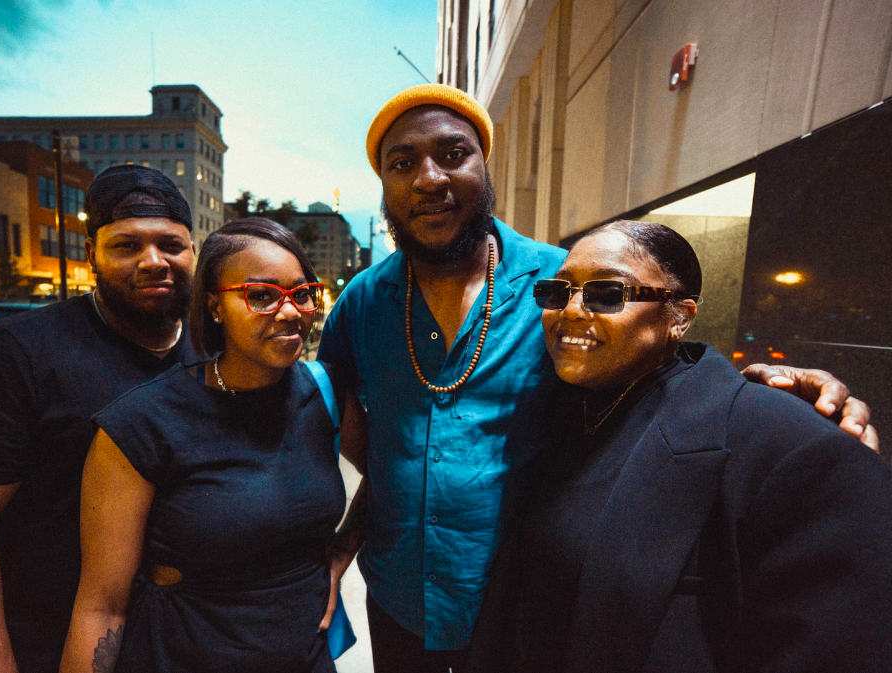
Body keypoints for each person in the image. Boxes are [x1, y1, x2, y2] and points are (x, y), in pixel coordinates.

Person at [317, 83, 879, 673]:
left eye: (453, 154)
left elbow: (654, 365)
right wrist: (339, 547)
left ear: (485, 165)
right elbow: (372, 447)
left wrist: (767, 395)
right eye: (402, 163)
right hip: (399, 601)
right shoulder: (362, 303)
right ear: (383, 185)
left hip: (523, 606)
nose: (429, 178)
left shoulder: (556, 282)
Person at [465, 220, 892, 672]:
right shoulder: (561, 406)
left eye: (607, 294)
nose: (570, 310)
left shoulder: (792, 445)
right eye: (556, 292)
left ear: (680, 315)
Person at [0, 165, 199, 673]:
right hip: (49, 648)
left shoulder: (214, 357)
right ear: (91, 255)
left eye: (171, 244)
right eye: (126, 246)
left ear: (193, 251)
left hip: (193, 645)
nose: (154, 261)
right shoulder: (12, 356)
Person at [60, 218, 347, 673]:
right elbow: (102, 606)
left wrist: (337, 561)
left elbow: (394, 473)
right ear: (214, 306)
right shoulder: (143, 423)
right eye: (262, 295)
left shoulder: (323, 394)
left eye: (302, 292)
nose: (291, 311)